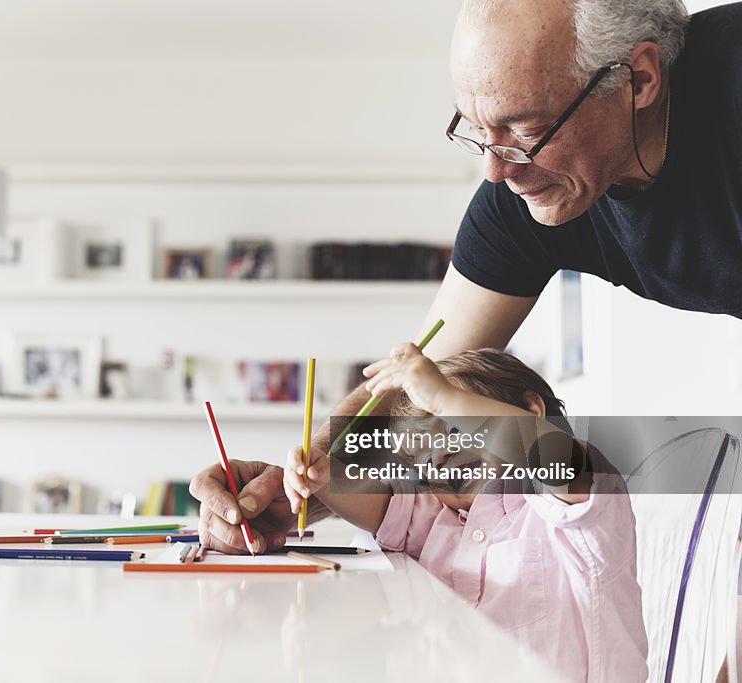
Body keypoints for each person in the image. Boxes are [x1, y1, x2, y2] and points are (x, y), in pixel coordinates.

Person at [190, 0, 742, 553]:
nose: (497, 170)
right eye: (477, 130)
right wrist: (301, 486)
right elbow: (407, 388)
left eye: (526, 129)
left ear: (637, 80)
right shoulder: (519, 201)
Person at [283, 347, 646, 683]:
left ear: (532, 414)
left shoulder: (569, 506)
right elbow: (382, 507)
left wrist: (444, 398)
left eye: (454, 429)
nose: (437, 459)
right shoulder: (443, 524)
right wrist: (323, 476)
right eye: (422, 461)